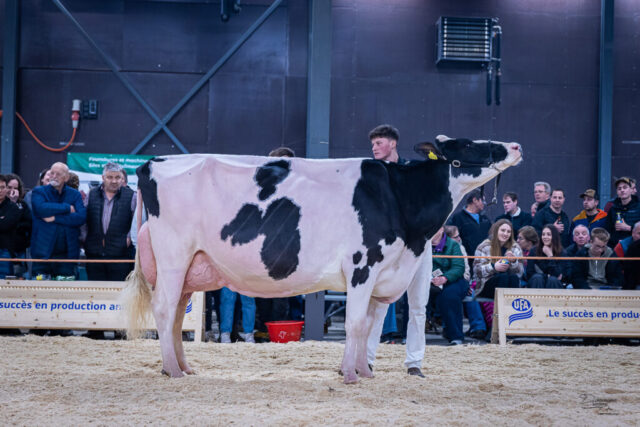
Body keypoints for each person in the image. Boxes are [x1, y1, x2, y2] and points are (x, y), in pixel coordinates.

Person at [30, 162, 86, 279]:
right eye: (52, 173)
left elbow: (81, 217)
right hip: (43, 255)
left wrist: (55, 218)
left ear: (66, 177)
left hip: (67, 256)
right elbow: (41, 209)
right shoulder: (39, 191)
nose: (54, 176)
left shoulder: (75, 194)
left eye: (58, 174)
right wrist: (67, 208)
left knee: (65, 289)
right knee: (39, 289)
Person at [83, 163, 136, 281]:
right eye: (110, 177)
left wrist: (128, 240)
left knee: (119, 290)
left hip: (121, 256)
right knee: (94, 290)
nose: (114, 181)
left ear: (122, 179)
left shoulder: (132, 196)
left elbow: (136, 222)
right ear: (103, 178)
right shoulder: (91, 194)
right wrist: (85, 238)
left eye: (118, 177)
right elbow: (84, 220)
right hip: (94, 254)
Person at [444, 225, 487, 340]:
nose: (459, 239)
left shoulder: (461, 248)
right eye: (455, 237)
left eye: (459, 236)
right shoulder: (442, 248)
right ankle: (448, 328)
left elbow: (466, 270)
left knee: (470, 293)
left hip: (461, 280)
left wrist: (465, 283)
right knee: (449, 295)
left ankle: (478, 327)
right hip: (444, 282)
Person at [428, 227, 469, 345]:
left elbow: (459, 267)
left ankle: (456, 336)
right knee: (412, 295)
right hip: (428, 279)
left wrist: (444, 278)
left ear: (441, 229)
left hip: (453, 279)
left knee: (449, 296)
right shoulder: (423, 244)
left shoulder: (453, 245)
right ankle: (408, 336)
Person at [473, 219, 524, 299]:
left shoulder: (515, 247)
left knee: (513, 278)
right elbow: (477, 271)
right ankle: (502, 306)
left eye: (508, 232)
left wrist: (514, 262)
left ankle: (514, 304)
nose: (505, 234)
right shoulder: (484, 246)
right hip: (486, 284)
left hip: (508, 281)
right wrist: (493, 267)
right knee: (503, 277)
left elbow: (520, 273)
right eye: (503, 230)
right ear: (496, 230)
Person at [6, 173, 32, 278]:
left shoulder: (23, 205)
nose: (12, 191)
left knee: (18, 277)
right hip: (4, 249)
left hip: (19, 249)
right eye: (9, 187)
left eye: (15, 188)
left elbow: (28, 223)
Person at [525, 224, 567, 289]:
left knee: (553, 280)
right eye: (543, 234)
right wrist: (546, 276)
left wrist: (550, 256)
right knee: (537, 278)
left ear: (554, 236)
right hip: (537, 282)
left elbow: (559, 275)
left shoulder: (562, 253)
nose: (545, 237)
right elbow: (529, 273)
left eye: (548, 234)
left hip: (554, 283)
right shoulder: (534, 251)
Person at [605, 177, 640, 248]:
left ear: (631, 190)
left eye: (625, 187)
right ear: (617, 192)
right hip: (616, 246)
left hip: (635, 247)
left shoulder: (638, 207)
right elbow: (607, 230)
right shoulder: (613, 209)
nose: (622, 190)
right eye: (619, 188)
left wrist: (628, 228)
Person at [0, 175, 21, 278]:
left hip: (4, 251)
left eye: (3, 187)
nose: (0, 190)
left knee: (4, 284)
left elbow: (5, 225)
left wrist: (3, 221)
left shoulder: (13, 208)